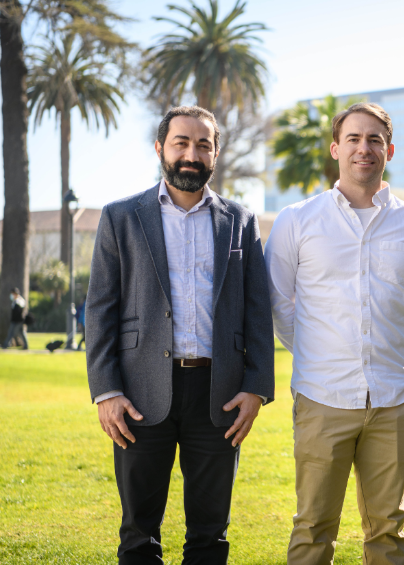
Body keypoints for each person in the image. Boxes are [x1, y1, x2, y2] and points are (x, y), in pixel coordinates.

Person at [86, 106, 275, 565]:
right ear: (160, 149)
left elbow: (256, 311)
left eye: (203, 144)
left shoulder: (241, 220)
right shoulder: (121, 217)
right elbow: (100, 309)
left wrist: (255, 387)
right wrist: (106, 390)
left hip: (219, 395)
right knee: (138, 534)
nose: (192, 154)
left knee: (210, 535)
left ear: (216, 153)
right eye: (181, 143)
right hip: (139, 391)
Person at [265, 102, 404, 565]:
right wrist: (318, 356)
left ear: (390, 150)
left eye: (375, 140)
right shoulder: (296, 220)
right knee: (313, 528)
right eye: (354, 139)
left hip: (393, 401)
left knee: (388, 531)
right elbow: (281, 307)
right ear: (335, 148)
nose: (365, 148)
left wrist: (390, 354)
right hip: (322, 398)